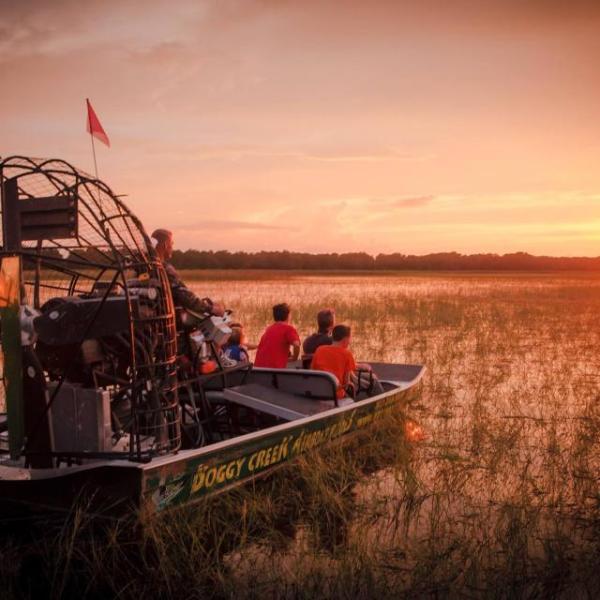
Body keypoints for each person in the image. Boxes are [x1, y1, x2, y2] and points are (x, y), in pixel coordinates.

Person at [151, 229, 224, 316]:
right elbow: (185, 296)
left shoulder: (145, 268)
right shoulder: (165, 269)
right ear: (166, 245)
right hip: (173, 319)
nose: (172, 248)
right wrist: (210, 308)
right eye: (172, 243)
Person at [311, 324, 383, 399]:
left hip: (318, 391)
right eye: (349, 338)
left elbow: (313, 370)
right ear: (345, 339)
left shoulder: (320, 349)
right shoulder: (346, 354)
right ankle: (381, 402)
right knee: (372, 379)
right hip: (336, 393)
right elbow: (346, 383)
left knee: (367, 378)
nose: (350, 341)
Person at [254, 303, 300, 368]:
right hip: (274, 371)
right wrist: (294, 358)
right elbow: (296, 344)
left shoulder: (268, 329)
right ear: (288, 316)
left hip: (258, 370)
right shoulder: (288, 328)